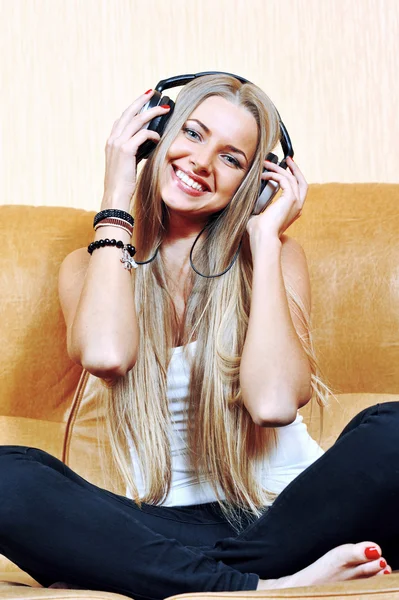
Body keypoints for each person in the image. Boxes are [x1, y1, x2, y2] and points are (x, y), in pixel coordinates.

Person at [0, 73, 398, 599]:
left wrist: (264, 238)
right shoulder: (91, 264)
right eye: (190, 133)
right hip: (160, 525)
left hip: (292, 512)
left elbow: (273, 403)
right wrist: (116, 190)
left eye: (232, 159)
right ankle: (261, 586)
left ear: (254, 184)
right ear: (154, 134)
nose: (202, 163)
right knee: (7, 475)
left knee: (392, 428)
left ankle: (171, 576)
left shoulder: (274, 254)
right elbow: (106, 354)